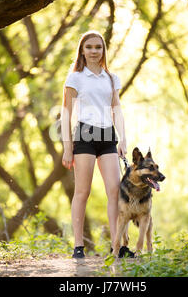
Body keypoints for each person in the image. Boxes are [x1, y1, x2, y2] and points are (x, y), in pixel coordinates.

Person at [61, 30, 130, 258]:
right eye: (89, 47)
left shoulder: (111, 78)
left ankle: (117, 246)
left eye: (98, 47)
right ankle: (78, 246)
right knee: (83, 191)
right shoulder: (75, 77)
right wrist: (67, 146)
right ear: (82, 49)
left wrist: (122, 138)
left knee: (115, 190)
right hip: (84, 135)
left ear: (103, 50)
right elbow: (66, 112)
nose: (93, 51)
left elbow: (116, 109)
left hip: (107, 135)